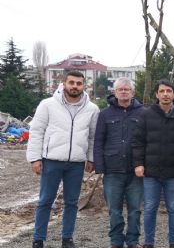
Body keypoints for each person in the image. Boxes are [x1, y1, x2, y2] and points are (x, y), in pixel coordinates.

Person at [27, 71, 100, 248]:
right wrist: (35, 158)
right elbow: (36, 131)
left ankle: (67, 239)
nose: (75, 86)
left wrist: (91, 158)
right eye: (71, 82)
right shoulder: (48, 105)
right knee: (45, 200)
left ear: (84, 86)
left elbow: (92, 136)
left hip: (76, 163)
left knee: (72, 202)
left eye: (79, 83)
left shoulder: (92, 109)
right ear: (64, 84)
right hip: (51, 160)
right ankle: (38, 239)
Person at [132, 79, 174, 248]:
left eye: (169, 91)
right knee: (150, 207)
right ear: (157, 94)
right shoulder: (146, 115)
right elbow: (138, 141)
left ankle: (173, 242)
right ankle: (149, 242)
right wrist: (138, 163)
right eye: (162, 91)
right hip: (151, 172)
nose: (165, 94)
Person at [94, 78, 144, 248]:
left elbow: (147, 140)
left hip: (135, 170)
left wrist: (144, 164)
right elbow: (98, 141)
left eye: (126, 89)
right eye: (120, 89)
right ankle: (116, 240)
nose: (123, 92)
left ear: (132, 92)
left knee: (135, 209)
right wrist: (99, 166)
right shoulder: (104, 114)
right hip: (112, 170)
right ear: (114, 93)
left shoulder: (143, 113)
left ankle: (133, 240)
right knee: (114, 209)